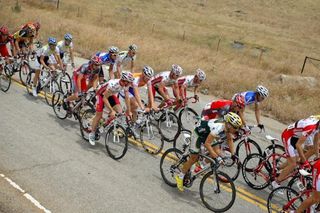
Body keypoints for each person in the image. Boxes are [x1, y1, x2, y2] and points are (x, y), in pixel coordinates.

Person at [175, 112, 243, 191]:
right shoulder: (219, 127)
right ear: (229, 125)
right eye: (235, 127)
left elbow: (229, 139)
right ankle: (180, 176)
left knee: (217, 151)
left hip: (208, 133)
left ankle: (200, 164)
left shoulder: (227, 128)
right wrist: (217, 157)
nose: (237, 129)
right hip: (199, 134)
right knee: (193, 158)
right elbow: (207, 144)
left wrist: (233, 154)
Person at [271, 115, 320, 189]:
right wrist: (304, 161)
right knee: (293, 164)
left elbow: (316, 142)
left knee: (296, 160)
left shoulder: (317, 126)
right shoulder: (311, 127)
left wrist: (317, 156)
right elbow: (298, 145)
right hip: (288, 136)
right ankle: (275, 183)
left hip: (296, 137)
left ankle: (277, 168)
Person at [88, 72, 134, 146]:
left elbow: (127, 97)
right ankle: (92, 133)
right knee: (99, 115)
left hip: (110, 95)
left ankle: (103, 124)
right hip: (101, 95)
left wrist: (129, 111)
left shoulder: (125, 84)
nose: (129, 84)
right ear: (123, 80)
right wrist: (111, 110)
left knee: (120, 112)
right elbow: (104, 98)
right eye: (128, 82)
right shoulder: (114, 84)